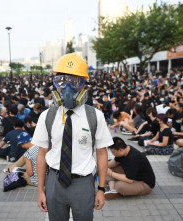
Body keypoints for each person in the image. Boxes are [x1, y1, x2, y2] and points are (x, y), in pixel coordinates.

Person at [33, 53, 113, 221]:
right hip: (54, 181)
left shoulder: (95, 116)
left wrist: (101, 189)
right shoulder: (47, 116)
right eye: (61, 82)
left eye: (75, 82)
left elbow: (102, 153)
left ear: (83, 86)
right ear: (55, 84)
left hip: (83, 183)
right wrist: (41, 190)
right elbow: (41, 154)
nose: (67, 88)